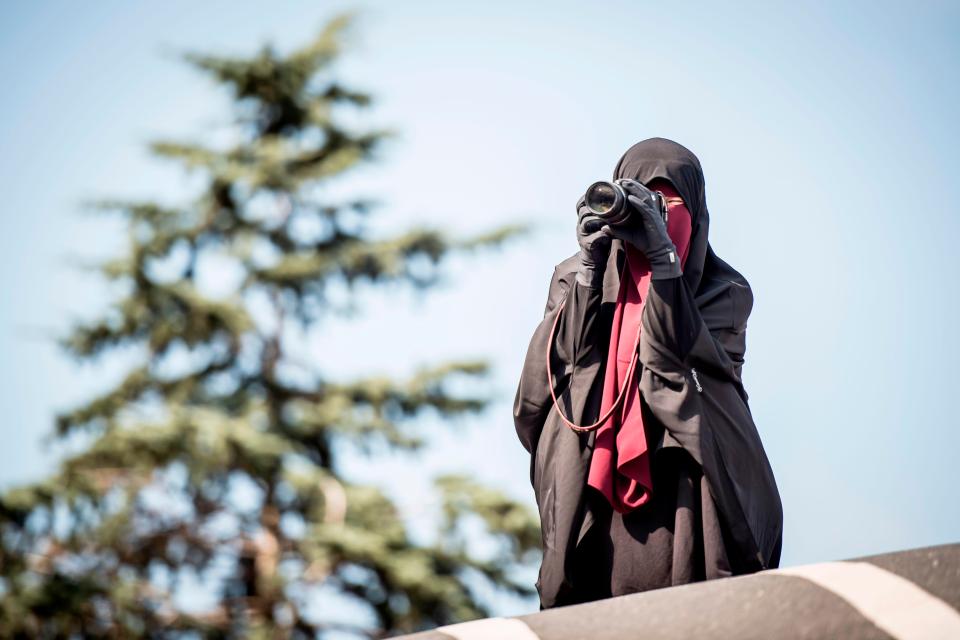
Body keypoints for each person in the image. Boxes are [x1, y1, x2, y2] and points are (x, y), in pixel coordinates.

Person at [513, 137, 783, 610]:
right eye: (644, 197)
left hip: (683, 487)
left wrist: (664, 265)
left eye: (669, 202)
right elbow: (558, 375)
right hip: (591, 486)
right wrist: (591, 272)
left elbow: (669, 365)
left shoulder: (726, 291)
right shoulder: (573, 273)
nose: (658, 214)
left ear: (696, 211)